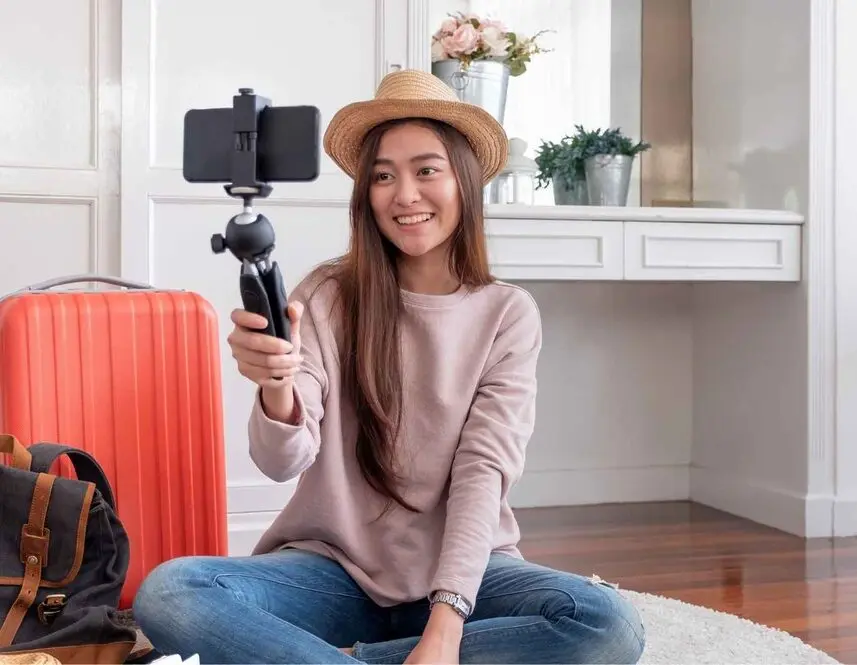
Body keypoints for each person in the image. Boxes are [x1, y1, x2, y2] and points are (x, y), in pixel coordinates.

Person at [132, 69, 645, 665]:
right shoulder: (326, 292)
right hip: (332, 571)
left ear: (464, 181)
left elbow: (483, 474)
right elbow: (280, 462)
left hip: (464, 578)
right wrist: (276, 388)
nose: (404, 195)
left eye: (427, 170)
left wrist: (445, 630)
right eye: (383, 175)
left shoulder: (508, 312)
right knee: (172, 593)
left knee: (607, 625)